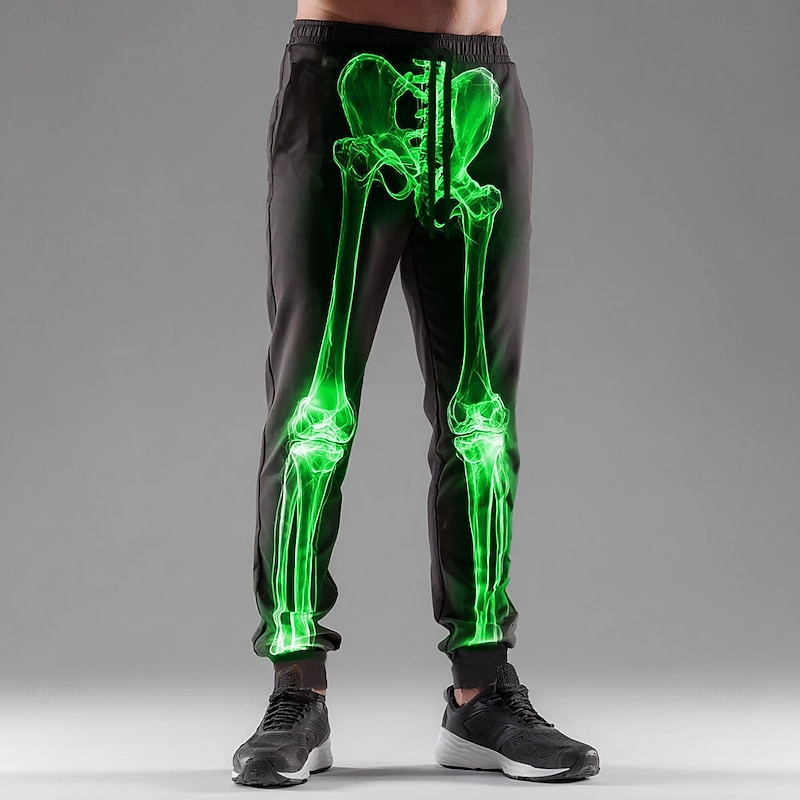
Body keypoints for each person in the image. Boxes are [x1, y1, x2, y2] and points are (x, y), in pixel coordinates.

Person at [232, 0, 600, 787]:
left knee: (484, 420)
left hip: (479, 87)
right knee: (311, 408)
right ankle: (297, 688)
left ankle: (482, 693)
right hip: (345, 78)